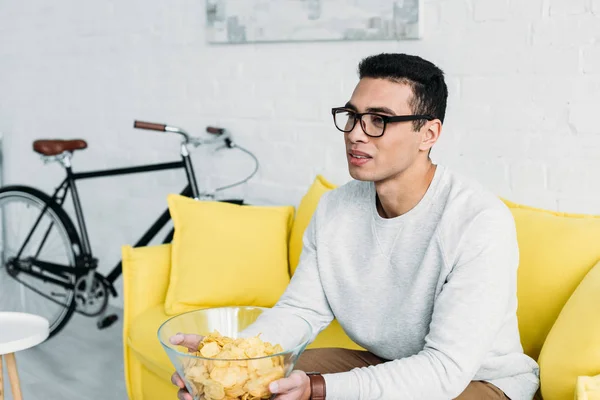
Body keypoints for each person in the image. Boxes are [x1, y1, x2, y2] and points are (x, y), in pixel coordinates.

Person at [170, 53, 540, 400]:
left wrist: (317, 387)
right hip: (391, 365)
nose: (355, 134)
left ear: (428, 134)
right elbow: (301, 310)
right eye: (352, 115)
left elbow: (445, 369)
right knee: (256, 386)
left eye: (379, 120)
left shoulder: (478, 221)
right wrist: (229, 359)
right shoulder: (335, 207)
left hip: (479, 382)